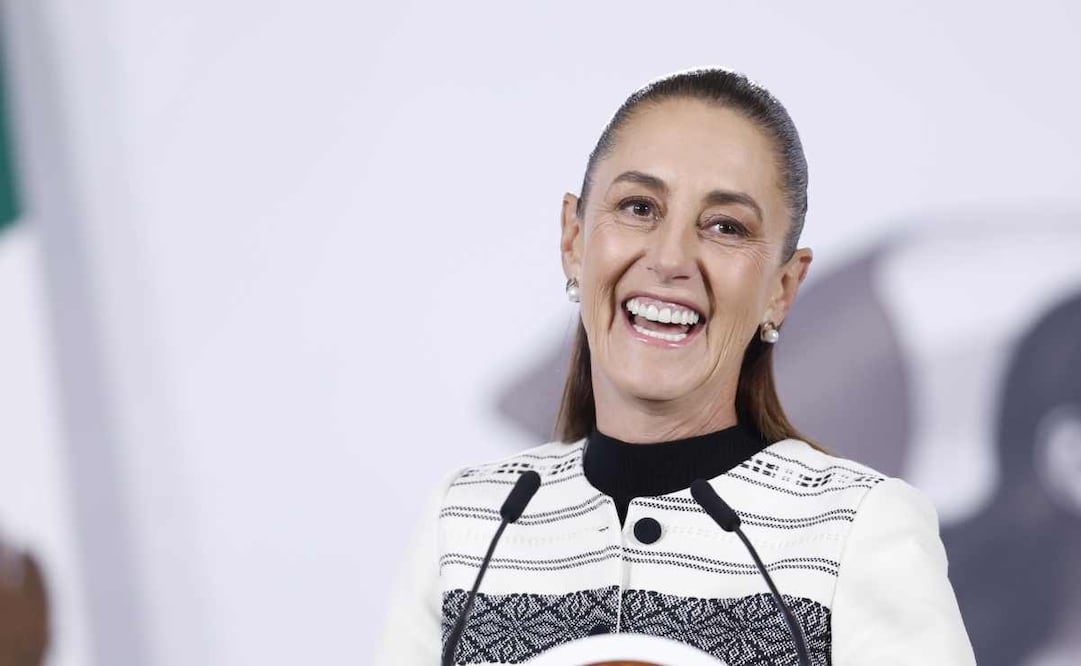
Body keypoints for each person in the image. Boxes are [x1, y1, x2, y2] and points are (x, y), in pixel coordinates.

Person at [376, 67, 975, 666]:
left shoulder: (855, 530)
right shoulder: (470, 523)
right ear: (574, 239)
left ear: (783, 289)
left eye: (725, 226)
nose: (669, 258)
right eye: (639, 207)